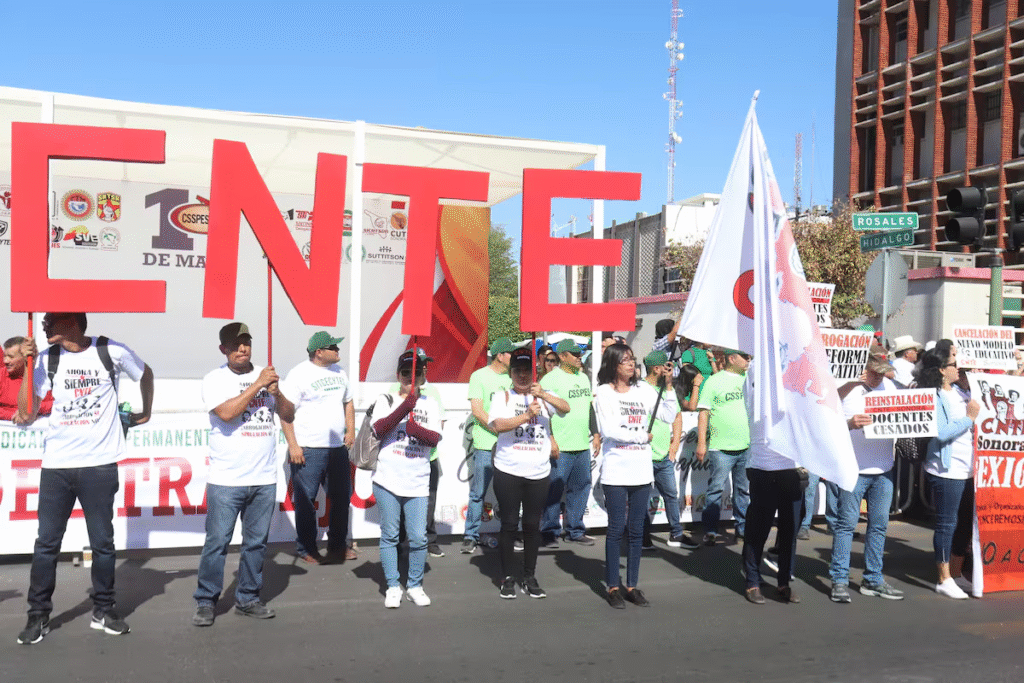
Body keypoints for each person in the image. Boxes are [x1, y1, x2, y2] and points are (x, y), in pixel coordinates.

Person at [16, 313, 153, 644]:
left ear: (72, 324)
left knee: (103, 543)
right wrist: (26, 365)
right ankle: (38, 616)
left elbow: (145, 372)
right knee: (46, 543)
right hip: (57, 466)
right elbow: (27, 412)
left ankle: (104, 610)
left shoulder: (111, 351)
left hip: (99, 465)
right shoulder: (47, 358)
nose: (45, 325)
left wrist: (147, 411)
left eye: (51, 321)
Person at [192, 323, 295, 627]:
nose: (242, 349)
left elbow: (288, 415)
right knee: (217, 543)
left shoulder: (268, 374)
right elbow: (226, 413)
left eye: (246, 343)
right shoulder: (215, 379)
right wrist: (257, 386)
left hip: (263, 478)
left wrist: (278, 393)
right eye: (235, 344)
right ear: (223, 349)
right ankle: (206, 601)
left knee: (256, 544)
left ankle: (248, 598)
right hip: (227, 480)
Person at [593, 342, 679, 608]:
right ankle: (613, 587)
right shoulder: (604, 393)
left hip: (641, 471)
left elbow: (668, 414)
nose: (631, 364)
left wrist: (668, 387)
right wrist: (642, 436)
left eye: (632, 359)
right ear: (613, 364)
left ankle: (632, 584)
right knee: (617, 528)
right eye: (625, 360)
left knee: (636, 530)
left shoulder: (643, 390)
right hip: (617, 471)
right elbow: (608, 430)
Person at [489, 347, 569, 599]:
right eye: (517, 371)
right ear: (511, 373)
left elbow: (566, 408)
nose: (522, 375)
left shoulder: (543, 395)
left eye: (526, 370)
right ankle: (507, 577)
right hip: (508, 470)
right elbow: (498, 425)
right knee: (509, 524)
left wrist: (543, 394)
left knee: (533, 525)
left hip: (538, 471)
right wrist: (525, 415)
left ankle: (529, 575)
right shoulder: (502, 396)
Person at [829, 345, 904, 603]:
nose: (879, 377)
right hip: (854, 469)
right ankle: (839, 580)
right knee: (846, 526)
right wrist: (850, 424)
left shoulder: (891, 389)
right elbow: (824, 420)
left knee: (879, 527)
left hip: (883, 469)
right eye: (875, 372)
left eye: (883, 372)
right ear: (864, 366)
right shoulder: (847, 388)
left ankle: (873, 578)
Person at [371, 349, 443, 608]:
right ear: (398, 374)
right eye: (405, 372)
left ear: (424, 375)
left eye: (417, 373)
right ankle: (392, 585)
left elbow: (435, 438)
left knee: (419, 537)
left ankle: (414, 585)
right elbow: (378, 429)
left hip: (418, 481)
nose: (411, 378)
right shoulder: (386, 399)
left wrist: (417, 431)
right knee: (390, 535)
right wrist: (404, 408)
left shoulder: (431, 403)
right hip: (388, 479)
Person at [280, 331, 356, 565]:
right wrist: (293, 445)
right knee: (306, 501)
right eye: (333, 347)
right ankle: (306, 548)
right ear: (319, 352)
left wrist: (351, 430)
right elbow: (285, 412)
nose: (338, 350)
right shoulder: (298, 374)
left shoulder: (340, 373)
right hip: (308, 448)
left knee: (342, 498)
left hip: (336, 448)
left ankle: (337, 545)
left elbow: (348, 402)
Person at [917, 345, 980, 599]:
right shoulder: (933, 396)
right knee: (946, 523)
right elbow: (941, 433)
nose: (959, 366)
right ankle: (943, 578)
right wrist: (968, 419)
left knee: (964, 524)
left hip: (968, 468)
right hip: (946, 469)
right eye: (954, 363)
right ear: (942, 370)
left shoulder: (959, 391)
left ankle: (955, 575)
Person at [742, 361, 804, 605]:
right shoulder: (758, 366)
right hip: (763, 465)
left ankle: (783, 582)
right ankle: (753, 581)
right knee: (759, 528)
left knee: (790, 531)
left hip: (792, 467)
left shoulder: (795, 364)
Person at [539, 339, 596, 548]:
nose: (579, 357)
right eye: (574, 354)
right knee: (555, 489)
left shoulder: (583, 378)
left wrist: (596, 433)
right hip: (561, 445)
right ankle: (549, 531)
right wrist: (551, 439)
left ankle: (575, 529)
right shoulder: (550, 379)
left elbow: (589, 407)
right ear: (562, 356)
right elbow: (544, 414)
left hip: (582, 443)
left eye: (579, 354)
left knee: (581, 487)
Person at [640, 350, 698, 550]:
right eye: (665, 367)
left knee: (671, 495)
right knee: (641, 498)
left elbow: (677, 416)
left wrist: (674, 445)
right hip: (644, 453)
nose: (669, 370)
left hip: (663, 454)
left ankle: (676, 534)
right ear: (656, 369)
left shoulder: (667, 389)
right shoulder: (640, 388)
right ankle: (642, 535)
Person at [462, 338, 514, 554]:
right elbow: (477, 409)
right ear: (500, 355)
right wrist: (495, 428)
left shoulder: (513, 379)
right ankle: (470, 535)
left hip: (509, 445)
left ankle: (510, 534)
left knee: (510, 494)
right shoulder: (479, 376)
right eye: (510, 353)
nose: (513, 356)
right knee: (478, 493)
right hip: (486, 443)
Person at [696, 349, 751, 546]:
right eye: (745, 357)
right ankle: (710, 530)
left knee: (743, 490)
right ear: (732, 358)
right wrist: (702, 443)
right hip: (720, 447)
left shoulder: (749, 379)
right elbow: (704, 413)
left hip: (746, 445)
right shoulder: (714, 381)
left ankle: (743, 528)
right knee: (715, 489)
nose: (748, 360)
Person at [1, 336, 52, 421]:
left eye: (11, 357)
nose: (5, 361)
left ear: (25, 357)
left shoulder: (41, 377)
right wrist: (13, 415)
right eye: (4, 356)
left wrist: (34, 409)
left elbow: (55, 403)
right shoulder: (1, 376)